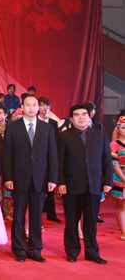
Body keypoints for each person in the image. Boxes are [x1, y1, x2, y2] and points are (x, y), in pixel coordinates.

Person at [3, 95, 58, 263]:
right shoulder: (12, 127)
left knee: (36, 216)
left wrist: (52, 178)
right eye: (28, 105)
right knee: (18, 216)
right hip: (18, 178)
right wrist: (8, 177)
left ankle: (35, 249)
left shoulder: (47, 128)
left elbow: (52, 156)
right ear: (22, 107)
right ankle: (19, 249)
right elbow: (7, 155)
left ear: (39, 107)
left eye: (35, 105)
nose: (32, 108)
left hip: (40, 179)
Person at [57, 103, 113, 264]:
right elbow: (59, 162)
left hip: (94, 184)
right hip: (71, 185)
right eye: (76, 115)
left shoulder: (100, 135)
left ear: (90, 117)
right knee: (71, 221)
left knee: (91, 221)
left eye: (84, 114)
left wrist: (108, 181)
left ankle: (92, 252)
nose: (81, 117)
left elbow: (107, 160)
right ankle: (72, 251)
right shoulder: (64, 136)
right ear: (71, 119)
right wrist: (61, 182)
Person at [38, 96, 62, 223]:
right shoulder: (34, 121)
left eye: (47, 106)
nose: (45, 108)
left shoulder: (53, 123)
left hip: (50, 159)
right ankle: (39, 213)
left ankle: (51, 213)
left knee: (51, 187)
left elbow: (56, 142)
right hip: (38, 160)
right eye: (42, 105)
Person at [110, 116, 125, 241]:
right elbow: (114, 164)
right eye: (123, 127)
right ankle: (124, 231)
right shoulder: (114, 145)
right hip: (120, 177)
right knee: (121, 206)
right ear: (118, 129)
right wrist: (124, 179)